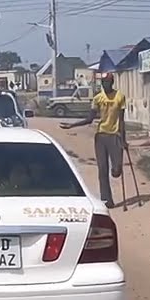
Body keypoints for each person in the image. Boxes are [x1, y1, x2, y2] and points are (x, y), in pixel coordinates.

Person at [59, 72, 125, 209]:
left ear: (112, 82)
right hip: (101, 136)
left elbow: (122, 120)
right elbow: (89, 119)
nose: (105, 85)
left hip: (115, 136)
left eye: (107, 82)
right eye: (103, 82)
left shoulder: (120, 97)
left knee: (116, 169)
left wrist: (124, 140)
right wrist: (72, 125)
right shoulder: (97, 99)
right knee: (102, 169)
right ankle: (107, 200)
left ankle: (116, 170)